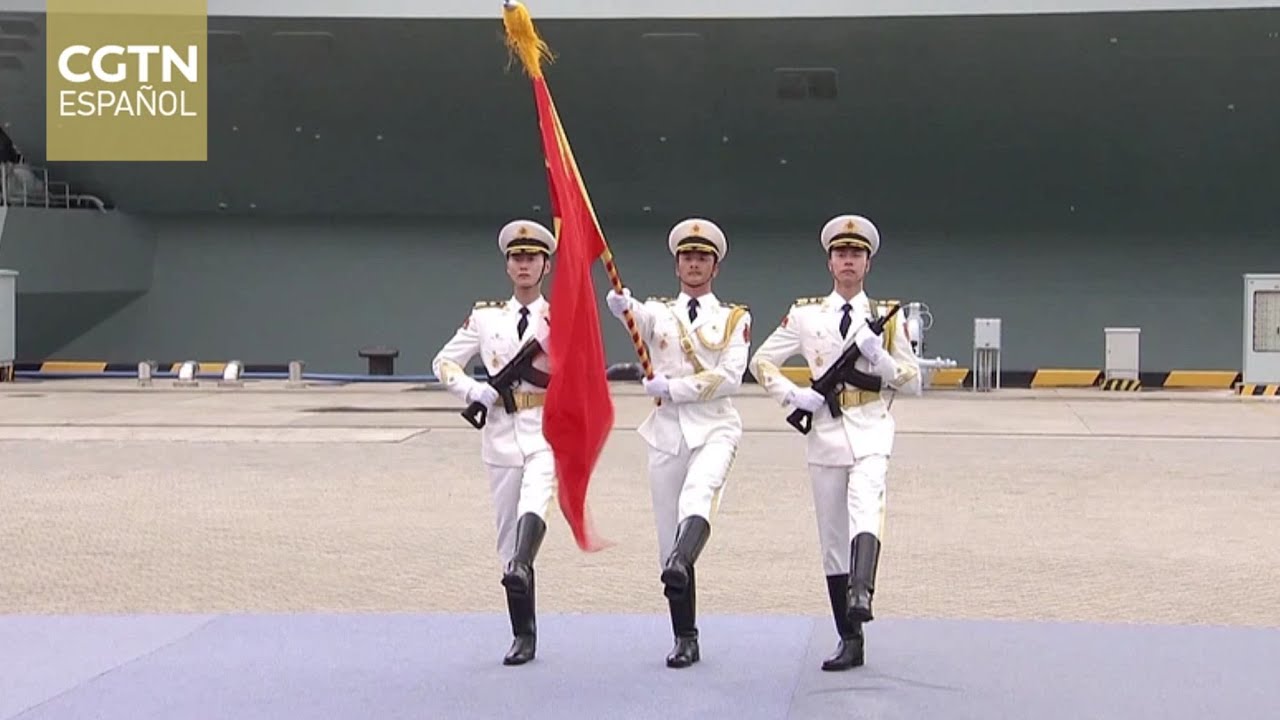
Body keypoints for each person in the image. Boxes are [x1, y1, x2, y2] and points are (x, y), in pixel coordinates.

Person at [747, 214, 920, 671]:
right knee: (831, 539)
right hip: (824, 430)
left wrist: (879, 356)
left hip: (871, 426)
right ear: (829, 262)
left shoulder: (886, 319)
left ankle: (862, 590)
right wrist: (792, 394)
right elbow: (762, 360)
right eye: (841, 253)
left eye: (856, 254)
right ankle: (850, 637)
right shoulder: (806, 315)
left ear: (868, 263)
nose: (848, 260)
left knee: (867, 504)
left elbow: (913, 380)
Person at [604, 218, 752, 669]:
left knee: (698, 497)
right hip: (667, 433)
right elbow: (638, 317)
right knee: (667, 539)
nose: (694, 263)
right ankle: (685, 636)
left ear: (715, 268)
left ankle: (682, 563)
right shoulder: (659, 313)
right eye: (687, 257)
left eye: (702, 257)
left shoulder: (733, 318)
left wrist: (675, 388)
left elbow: (729, 378)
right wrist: (622, 304)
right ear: (676, 265)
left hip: (714, 427)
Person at [431, 218, 558, 666]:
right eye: (516, 258)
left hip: (545, 429)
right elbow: (443, 362)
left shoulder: (560, 316)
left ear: (545, 265)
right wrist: (475, 390)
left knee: (536, 501)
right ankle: (523, 634)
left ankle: (524, 563)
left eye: (532, 258)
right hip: (501, 431)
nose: (524, 265)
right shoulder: (486, 318)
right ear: (508, 266)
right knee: (507, 540)